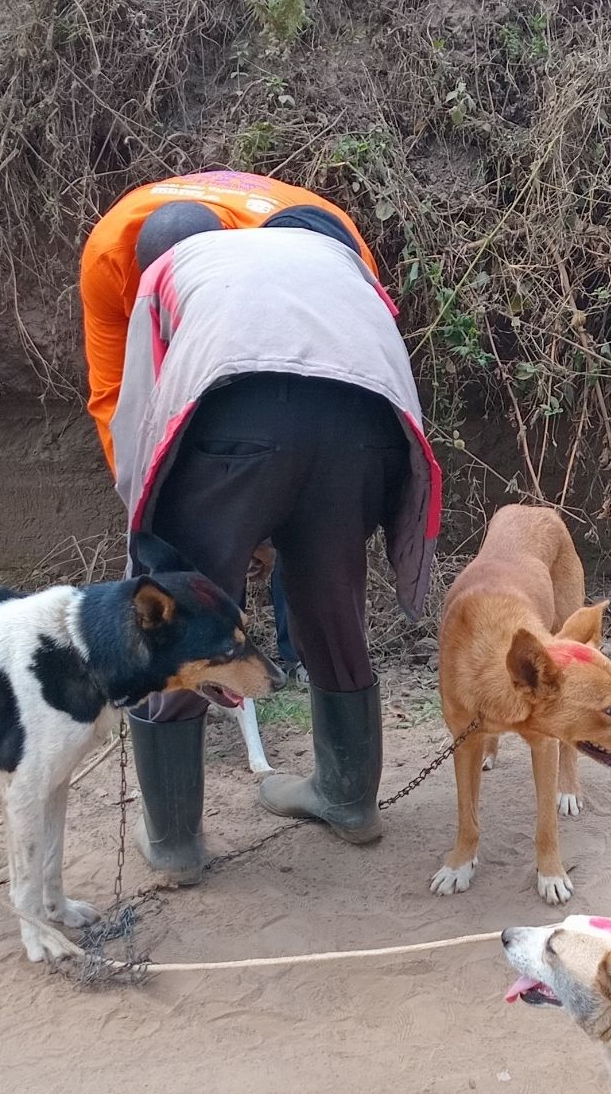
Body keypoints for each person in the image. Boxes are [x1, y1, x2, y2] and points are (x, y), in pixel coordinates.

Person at [80, 171, 441, 883]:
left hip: (233, 422)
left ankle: (177, 843)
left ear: (150, 261)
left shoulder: (161, 273)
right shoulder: (332, 250)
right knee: (332, 602)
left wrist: (155, 533)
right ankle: (347, 800)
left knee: (180, 613)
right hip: (365, 426)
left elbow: (142, 415)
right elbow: (371, 354)